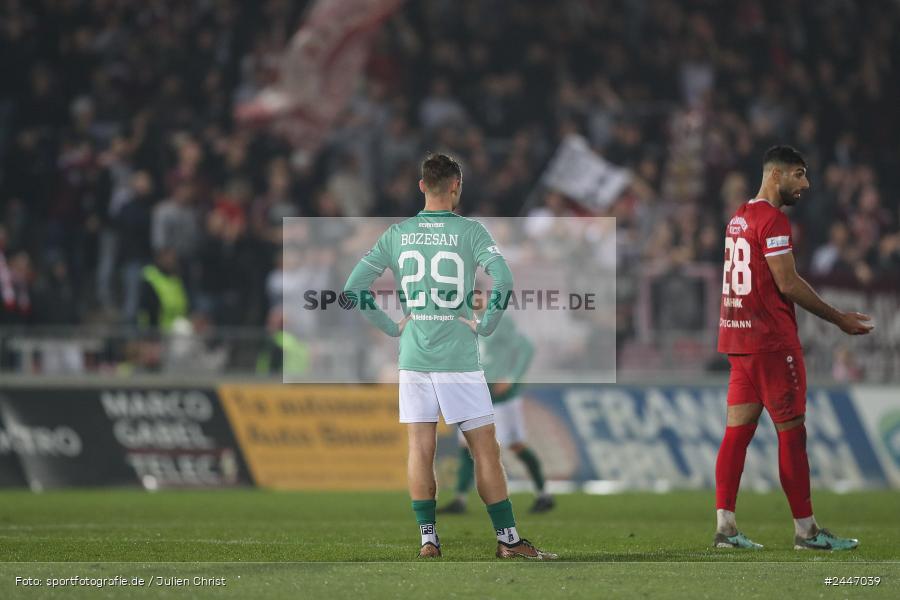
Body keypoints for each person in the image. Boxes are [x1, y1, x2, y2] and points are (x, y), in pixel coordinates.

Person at [343, 153, 556, 560]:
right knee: (485, 450)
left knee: (421, 449)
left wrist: (392, 327)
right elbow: (504, 279)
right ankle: (509, 541)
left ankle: (428, 539)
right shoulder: (471, 232)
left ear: (422, 186)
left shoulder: (397, 233)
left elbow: (354, 287)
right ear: (456, 186)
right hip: (458, 356)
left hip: (414, 357)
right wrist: (489, 323)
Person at [714, 145, 873, 551]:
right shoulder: (773, 221)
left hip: (739, 340)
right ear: (776, 175)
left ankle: (726, 528)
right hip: (770, 343)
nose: (806, 184)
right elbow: (787, 283)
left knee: (737, 434)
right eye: (799, 174)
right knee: (792, 434)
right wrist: (839, 318)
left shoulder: (739, 218)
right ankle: (807, 532)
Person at [438, 288, 554, 515]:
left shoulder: (500, 321)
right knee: (466, 446)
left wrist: (512, 377)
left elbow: (526, 348)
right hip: (476, 394)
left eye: (477, 294)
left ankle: (543, 494)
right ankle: (460, 500)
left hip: (502, 398)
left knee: (516, 445)